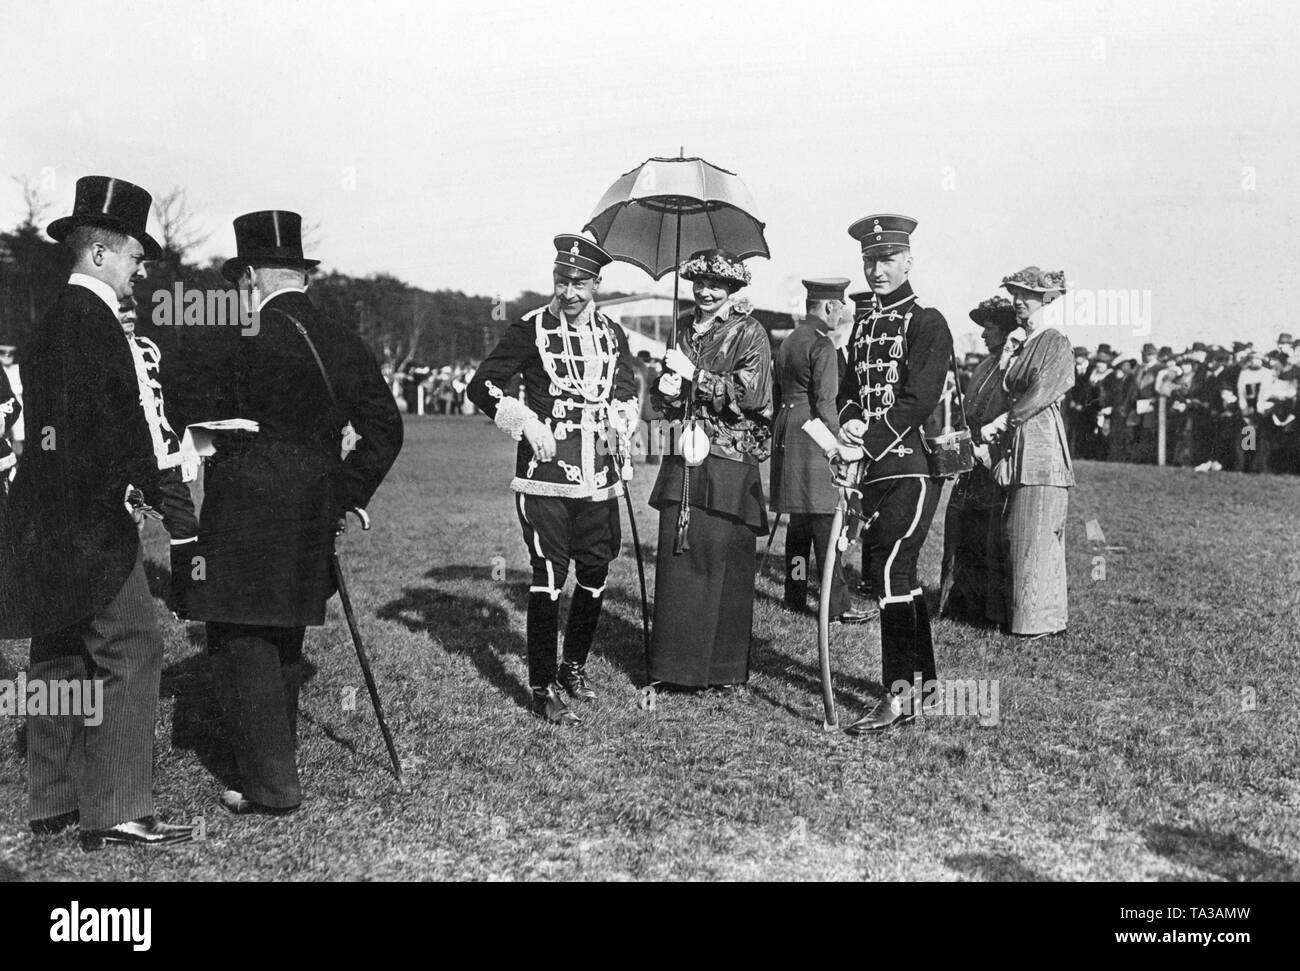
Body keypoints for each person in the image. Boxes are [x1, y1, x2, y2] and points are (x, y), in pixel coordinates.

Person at [182, 210, 404, 814]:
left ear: (251, 275)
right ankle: (273, 769)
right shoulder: (344, 337)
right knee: (283, 633)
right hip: (313, 509)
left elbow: (196, 420)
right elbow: (385, 429)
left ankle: (269, 784)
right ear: (301, 274)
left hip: (244, 508)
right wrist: (345, 493)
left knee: (239, 636)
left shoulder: (240, 336)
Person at [0, 175, 196, 849]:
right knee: (132, 643)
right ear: (104, 254)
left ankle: (52, 801)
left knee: (57, 651)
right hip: (88, 520)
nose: (141, 273)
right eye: (137, 259)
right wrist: (138, 486)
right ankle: (116, 807)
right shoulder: (96, 323)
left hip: (39, 517)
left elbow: (53, 432)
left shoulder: (50, 319)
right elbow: (108, 427)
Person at [466, 234, 639, 724]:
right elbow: (482, 384)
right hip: (545, 473)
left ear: (597, 284)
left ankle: (574, 666)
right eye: (562, 281)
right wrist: (525, 422)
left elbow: (624, 383)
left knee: (595, 571)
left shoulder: (612, 331)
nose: (569, 293)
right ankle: (541, 686)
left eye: (580, 283)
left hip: (600, 471)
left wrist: (622, 416)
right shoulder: (530, 329)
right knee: (547, 576)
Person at [834, 214, 952, 733]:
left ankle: (897, 695)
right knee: (898, 575)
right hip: (875, 469)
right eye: (868, 261)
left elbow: (920, 397)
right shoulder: (864, 323)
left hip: (911, 465)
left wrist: (869, 439)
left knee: (885, 571)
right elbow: (847, 391)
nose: (876, 270)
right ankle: (921, 684)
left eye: (885, 260)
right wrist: (850, 419)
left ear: (908, 261)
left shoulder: (927, 322)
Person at [648, 248, 773, 689]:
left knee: (721, 560)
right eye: (699, 281)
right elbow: (668, 399)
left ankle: (719, 668)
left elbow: (752, 394)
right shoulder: (681, 328)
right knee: (678, 555)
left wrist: (695, 375)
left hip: (729, 460)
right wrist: (664, 388)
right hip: (684, 452)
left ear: (734, 289)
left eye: (716, 284)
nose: (705, 290)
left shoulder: (750, 331)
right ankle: (673, 666)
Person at [981, 267, 1075, 639]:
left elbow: (1041, 393)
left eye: (1027, 295)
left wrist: (1004, 421)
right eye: (1015, 294)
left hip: (1039, 442)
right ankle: (1020, 614)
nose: (1019, 301)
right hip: (1018, 440)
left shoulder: (1054, 341)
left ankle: (1038, 621)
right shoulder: (1022, 342)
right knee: (1016, 528)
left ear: (1046, 300)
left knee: (1034, 529)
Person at [770, 278, 869, 624]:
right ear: (829, 307)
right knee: (828, 522)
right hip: (814, 435)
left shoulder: (789, 341)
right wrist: (840, 442)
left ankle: (795, 595)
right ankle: (837, 604)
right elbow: (827, 403)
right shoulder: (822, 345)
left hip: (787, 431)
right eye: (840, 307)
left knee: (798, 524)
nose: (842, 313)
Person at [938, 295, 1016, 625]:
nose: (983, 335)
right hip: (969, 462)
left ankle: (988, 610)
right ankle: (955, 601)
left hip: (994, 461)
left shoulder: (1012, 365)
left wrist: (990, 447)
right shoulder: (984, 364)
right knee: (959, 530)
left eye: (990, 328)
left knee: (988, 537)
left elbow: (1014, 415)